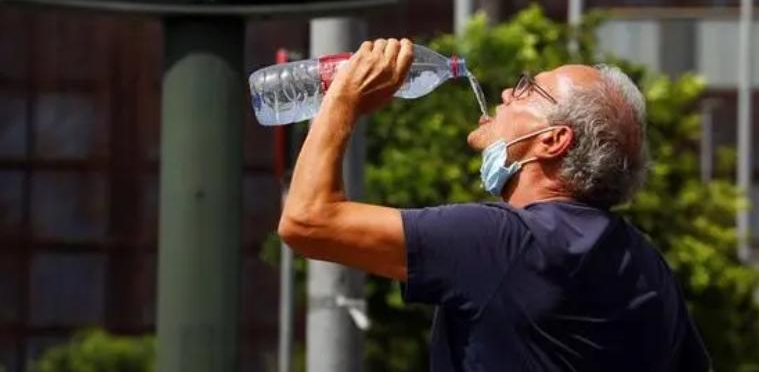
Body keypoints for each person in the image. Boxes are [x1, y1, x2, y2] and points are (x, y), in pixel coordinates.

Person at [279, 38, 712, 372]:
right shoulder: (647, 264)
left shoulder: (502, 242)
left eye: (528, 90)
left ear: (552, 140)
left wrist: (342, 100)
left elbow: (307, 219)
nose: (506, 92)